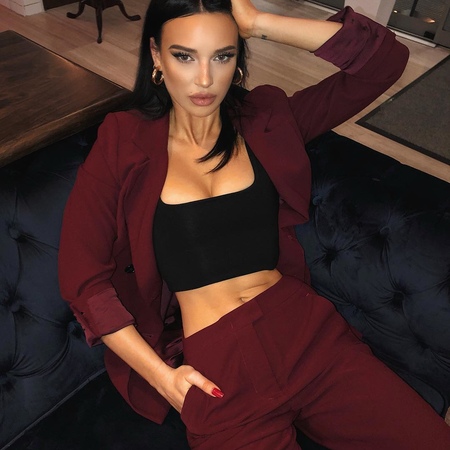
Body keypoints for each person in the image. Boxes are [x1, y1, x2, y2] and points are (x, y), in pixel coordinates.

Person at [58, 0, 450, 448]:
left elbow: (384, 62)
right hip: (219, 371)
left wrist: (258, 22)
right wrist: (162, 378)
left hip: (306, 334)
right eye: (184, 56)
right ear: (156, 56)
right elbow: (82, 279)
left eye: (222, 55)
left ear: (238, 58)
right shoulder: (122, 140)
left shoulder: (267, 118)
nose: (204, 79)